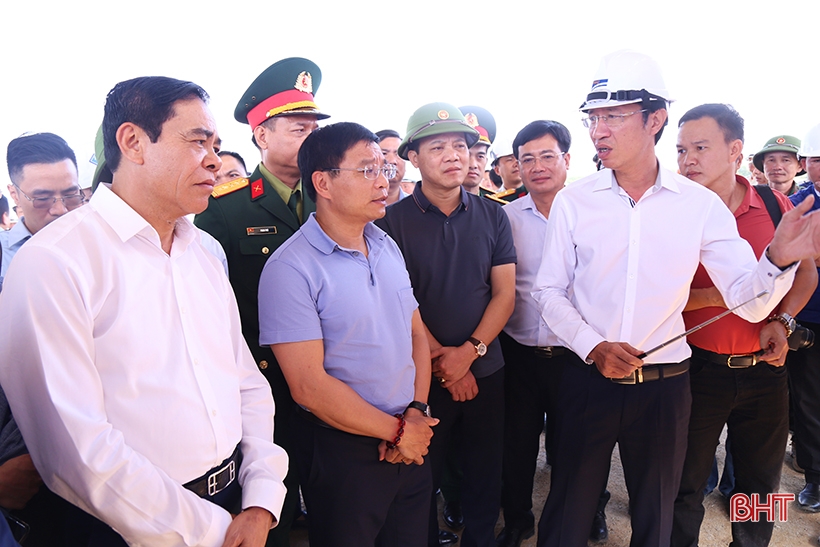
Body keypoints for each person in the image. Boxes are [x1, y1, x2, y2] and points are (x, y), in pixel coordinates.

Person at [533, 50, 820, 547]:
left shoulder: (724, 207)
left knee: (727, 491)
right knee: (589, 507)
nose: (598, 131)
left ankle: (769, 521)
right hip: (624, 375)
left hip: (714, 379)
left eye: (613, 117)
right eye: (593, 118)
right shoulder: (576, 201)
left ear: (655, 119)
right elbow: (548, 289)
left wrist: (777, 266)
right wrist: (593, 346)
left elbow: (758, 298)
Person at [0, 76, 288, 547]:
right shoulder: (55, 261)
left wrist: (260, 499)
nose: (214, 161)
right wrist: (216, 532)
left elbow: (246, 385)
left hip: (235, 505)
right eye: (197, 142)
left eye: (216, 146)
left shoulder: (203, 252)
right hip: (119, 530)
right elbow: (76, 450)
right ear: (133, 142)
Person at [259, 122, 438, 546]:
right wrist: (395, 432)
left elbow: (416, 335)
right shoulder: (290, 268)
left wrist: (415, 411)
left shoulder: (385, 244)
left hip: (410, 434)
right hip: (345, 450)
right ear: (323, 182)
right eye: (366, 170)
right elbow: (309, 386)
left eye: (384, 169)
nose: (383, 181)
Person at [195, 57, 329, 546]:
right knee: (273, 511)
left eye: (315, 128)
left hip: (336, 381)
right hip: (266, 388)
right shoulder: (224, 209)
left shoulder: (333, 197)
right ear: (262, 135)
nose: (312, 138)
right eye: (299, 128)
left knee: (339, 508)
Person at [671, 103, 817, 547]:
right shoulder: (672, 212)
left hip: (766, 370)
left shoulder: (775, 206)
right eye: (681, 150)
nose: (688, 160)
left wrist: (784, 322)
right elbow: (657, 298)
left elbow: (806, 274)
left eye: (700, 147)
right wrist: (732, 294)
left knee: (760, 486)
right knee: (684, 483)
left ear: (735, 150)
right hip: (695, 368)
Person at [376, 102, 516, 547]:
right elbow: (399, 302)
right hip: (421, 376)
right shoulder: (389, 222)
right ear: (413, 157)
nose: (454, 155)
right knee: (422, 472)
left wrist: (469, 354)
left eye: (461, 145)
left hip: (486, 368)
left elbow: (504, 294)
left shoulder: (493, 215)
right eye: (438, 147)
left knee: (484, 468)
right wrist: (443, 363)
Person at [493, 120, 582, 547]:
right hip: (520, 353)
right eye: (527, 159)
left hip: (577, 355)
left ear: (567, 159)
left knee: (577, 445)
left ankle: (586, 512)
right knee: (517, 445)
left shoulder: (591, 213)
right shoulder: (505, 218)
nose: (537, 166)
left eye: (547, 156)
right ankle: (517, 519)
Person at [1, 133, 83, 292]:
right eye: (43, 198)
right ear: (14, 195)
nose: (60, 209)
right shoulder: (3, 254)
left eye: (70, 195)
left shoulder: (99, 245)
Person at [788, 122, 820, 513]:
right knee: (808, 401)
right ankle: (815, 477)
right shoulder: (795, 205)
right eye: (816, 159)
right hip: (808, 316)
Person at [459, 106, 496, 196]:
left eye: (480, 156)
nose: (473, 165)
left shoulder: (495, 204)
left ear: (486, 161)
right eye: (467, 155)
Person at [487, 138, 526, 202]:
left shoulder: (536, 192)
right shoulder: (493, 201)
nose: (516, 163)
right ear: (497, 170)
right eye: (510, 160)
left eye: (518, 158)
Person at [375, 129, 408, 205]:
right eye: (384, 153)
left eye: (398, 154)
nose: (392, 161)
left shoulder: (418, 206)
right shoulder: (357, 205)